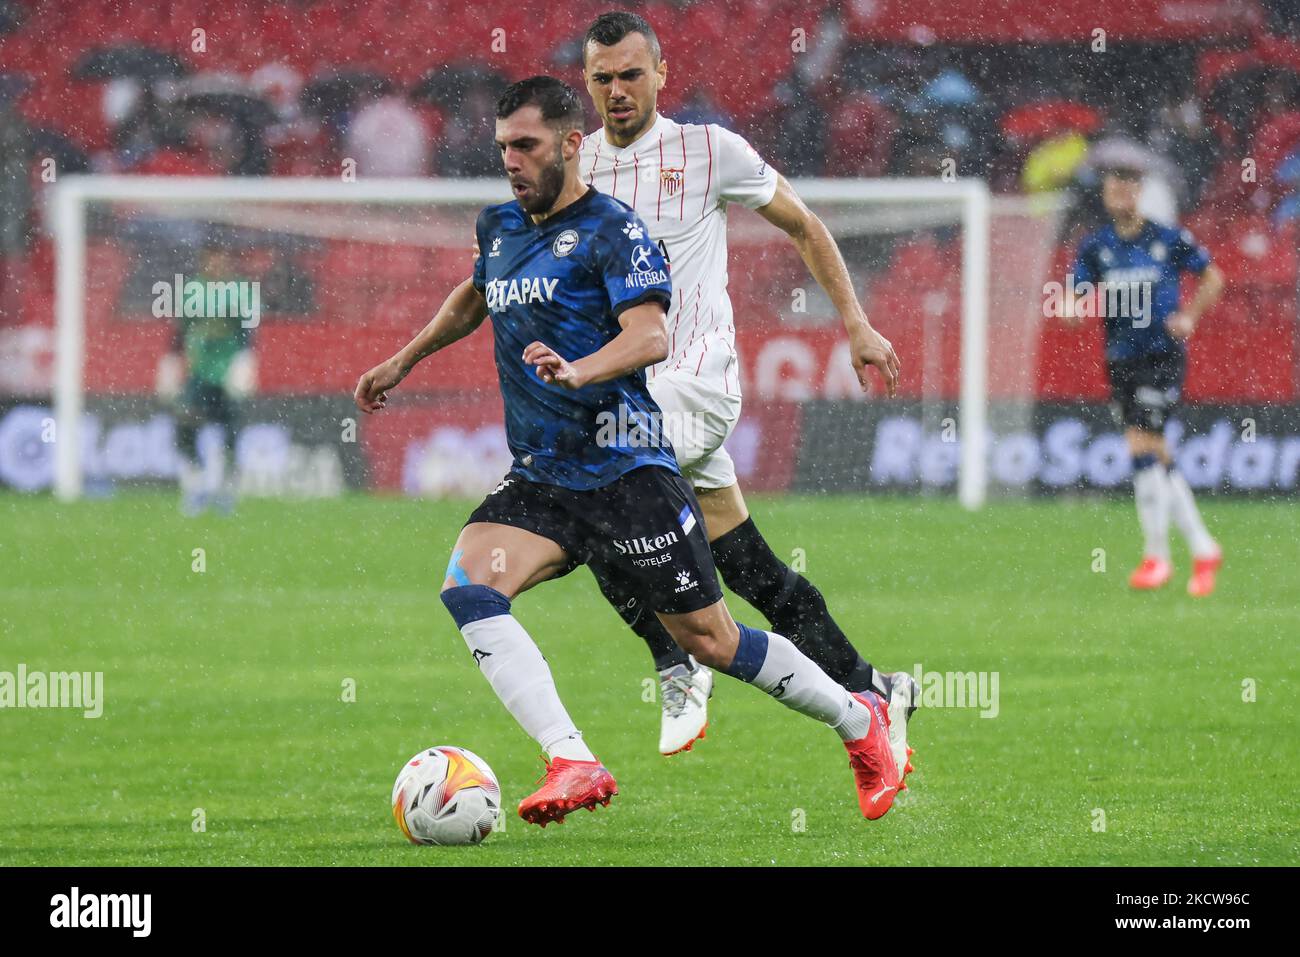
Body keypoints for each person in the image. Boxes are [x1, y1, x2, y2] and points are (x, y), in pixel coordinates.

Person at [354, 76, 903, 826]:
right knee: (468, 586)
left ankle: (857, 719)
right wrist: (402, 359)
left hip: (625, 465)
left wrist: (581, 369)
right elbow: (475, 295)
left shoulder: (615, 230)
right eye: (503, 147)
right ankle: (571, 757)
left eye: (527, 146)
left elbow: (652, 335)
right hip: (545, 475)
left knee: (712, 638)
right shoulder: (500, 228)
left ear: (569, 144)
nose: (511, 161)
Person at [575, 11, 917, 773]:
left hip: (696, 385)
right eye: (603, 78)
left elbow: (803, 224)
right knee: (756, 570)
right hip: (632, 398)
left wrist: (856, 325)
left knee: (586, 487)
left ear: (661, 72)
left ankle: (675, 655)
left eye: (633, 74)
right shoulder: (578, 171)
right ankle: (874, 688)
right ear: (587, 84)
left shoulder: (707, 149)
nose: (618, 90)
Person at [1067, 165, 1226, 595]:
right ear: (1105, 193)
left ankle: (1158, 555)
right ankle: (1202, 546)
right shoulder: (1096, 246)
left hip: (1160, 356)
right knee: (1155, 453)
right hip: (1120, 360)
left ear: (1139, 192)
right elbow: (1075, 294)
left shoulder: (1166, 238)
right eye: (1114, 187)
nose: (1121, 194)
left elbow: (1213, 276)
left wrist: (1189, 316)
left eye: (1128, 186)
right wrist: (1070, 308)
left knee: (1143, 446)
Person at [156, 245, 256, 515]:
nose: (216, 265)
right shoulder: (192, 289)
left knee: (231, 431)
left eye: (221, 259)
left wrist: (245, 361)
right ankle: (196, 484)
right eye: (211, 259)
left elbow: (248, 331)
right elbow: (181, 329)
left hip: (227, 372)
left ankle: (226, 490)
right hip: (198, 372)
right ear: (204, 262)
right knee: (185, 427)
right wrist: (170, 363)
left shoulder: (241, 290)